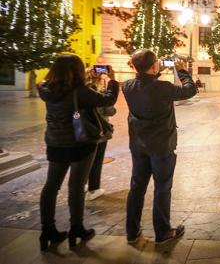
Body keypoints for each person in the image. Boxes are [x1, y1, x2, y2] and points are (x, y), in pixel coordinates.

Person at [38, 54, 119, 250]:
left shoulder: (45, 88)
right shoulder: (80, 91)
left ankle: (47, 230)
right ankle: (77, 228)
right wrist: (112, 79)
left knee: (51, 186)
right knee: (76, 186)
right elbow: (108, 99)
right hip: (80, 143)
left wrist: (90, 82)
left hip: (56, 143)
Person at [122, 49, 197, 245]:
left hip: (138, 146)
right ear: (154, 65)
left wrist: (154, 72)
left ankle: (132, 231)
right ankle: (163, 232)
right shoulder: (163, 88)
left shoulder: (127, 86)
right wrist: (182, 71)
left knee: (137, 188)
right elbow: (190, 90)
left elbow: (145, 85)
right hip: (162, 146)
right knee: (162, 188)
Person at [85, 68, 117, 201]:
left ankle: (82, 184)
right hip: (99, 131)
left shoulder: (78, 91)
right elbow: (111, 110)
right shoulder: (99, 93)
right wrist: (112, 80)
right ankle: (93, 189)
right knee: (97, 161)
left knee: (85, 160)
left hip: (83, 131)